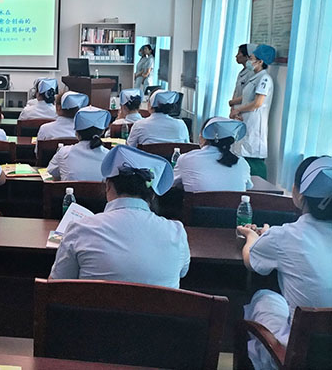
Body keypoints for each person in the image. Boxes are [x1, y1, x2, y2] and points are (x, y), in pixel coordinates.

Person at [237, 156, 332, 370]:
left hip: (301, 357)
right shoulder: (282, 236)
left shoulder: (285, 236)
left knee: (264, 297)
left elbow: (250, 260)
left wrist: (252, 237)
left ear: (298, 194)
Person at [50, 145, 190, 288]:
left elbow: (56, 285)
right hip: (160, 304)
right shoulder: (177, 233)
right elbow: (183, 272)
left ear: (108, 186)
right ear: (153, 195)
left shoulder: (80, 229)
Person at [230, 44, 275, 178]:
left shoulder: (264, 79)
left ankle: (259, 186)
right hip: (245, 120)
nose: (249, 61)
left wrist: (237, 110)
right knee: (242, 154)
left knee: (253, 158)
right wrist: (235, 107)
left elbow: (257, 103)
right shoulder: (254, 77)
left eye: (251, 58)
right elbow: (247, 98)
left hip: (254, 124)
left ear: (260, 61)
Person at [173, 117, 252, 192]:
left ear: (203, 136)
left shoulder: (186, 159)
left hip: (196, 202)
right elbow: (248, 186)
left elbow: (172, 183)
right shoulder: (242, 163)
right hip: (235, 202)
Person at [47, 106, 111, 181]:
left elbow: (53, 175)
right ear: (102, 131)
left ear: (76, 132)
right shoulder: (110, 157)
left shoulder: (64, 153)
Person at [227, 43, 256, 110]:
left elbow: (249, 95)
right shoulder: (242, 72)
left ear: (247, 56)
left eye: (239, 53)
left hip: (243, 109)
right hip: (236, 109)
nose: (236, 56)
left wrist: (232, 102)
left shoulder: (252, 74)